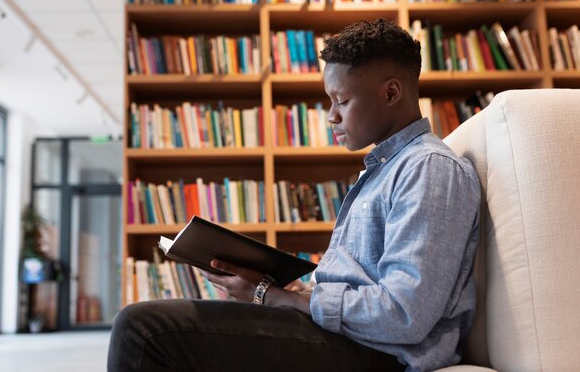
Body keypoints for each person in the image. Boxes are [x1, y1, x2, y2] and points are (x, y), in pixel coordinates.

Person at [107, 18, 481, 372]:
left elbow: (404, 315)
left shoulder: (429, 168)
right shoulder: (383, 169)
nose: (331, 116)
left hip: (381, 354)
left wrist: (278, 297)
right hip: (349, 339)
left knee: (144, 330)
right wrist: (289, 290)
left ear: (391, 92)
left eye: (342, 101)